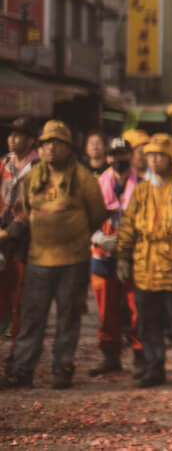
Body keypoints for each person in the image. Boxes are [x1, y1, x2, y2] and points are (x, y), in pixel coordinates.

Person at [3, 121, 106, 389]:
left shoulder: (83, 177)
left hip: (73, 261)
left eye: (57, 142)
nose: (51, 147)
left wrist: (75, 235)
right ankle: (22, 370)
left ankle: (63, 368)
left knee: (67, 318)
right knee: (31, 320)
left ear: (68, 147)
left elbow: (97, 214)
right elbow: (23, 211)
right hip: (38, 260)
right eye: (46, 142)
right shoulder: (32, 178)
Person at [116, 134, 172, 388]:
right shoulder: (142, 191)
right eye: (150, 155)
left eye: (160, 156)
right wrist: (123, 257)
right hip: (145, 267)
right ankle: (153, 368)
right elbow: (128, 227)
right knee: (148, 323)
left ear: (171, 159)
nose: (154, 160)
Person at [88, 137, 144, 378]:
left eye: (122, 155)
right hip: (103, 255)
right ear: (107, 157)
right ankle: (110, 356)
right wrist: (97, 237)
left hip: (133, 256)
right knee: (106, 310)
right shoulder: (96, 184)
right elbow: (85, 216)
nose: (117, 160)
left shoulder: (142, 185)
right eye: (113, 155)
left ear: (129, 157)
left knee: (137, 309)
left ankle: (140, 357)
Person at [0, 118, 38, 350]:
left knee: (20, 301)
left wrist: (11, 231)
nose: (13, 139)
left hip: (27, 242)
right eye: (11, 134)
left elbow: (36, 207)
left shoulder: (39, 167)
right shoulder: (3, 164)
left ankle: (18, 355)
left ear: (31, 141)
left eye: (19, 135)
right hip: (1, 240)